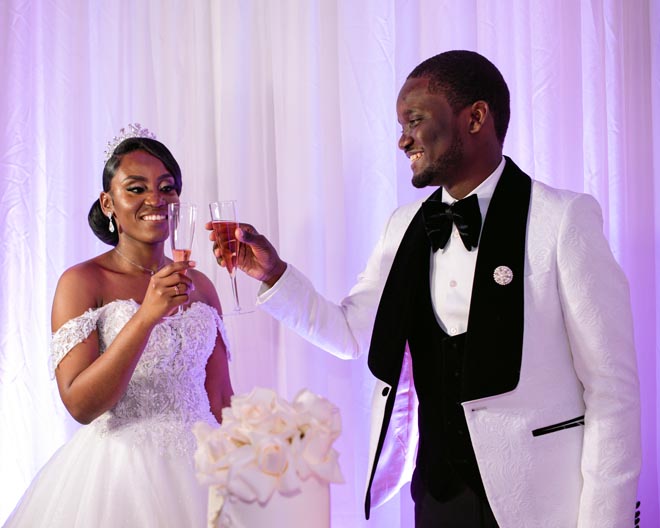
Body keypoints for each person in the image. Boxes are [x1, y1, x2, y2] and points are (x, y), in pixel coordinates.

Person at [207, 51, 641, 527]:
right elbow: (352, 333)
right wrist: (273, 274)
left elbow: (611, 390)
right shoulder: (403, 226)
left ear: (475, 117)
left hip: (538, 502)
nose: (402, 138)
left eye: (414, 119)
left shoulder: (563, 220)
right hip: (436, 497)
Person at [4, 125, 233, 527]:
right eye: (136, 189)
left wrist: (258, 458)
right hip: (121, 478)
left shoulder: (203, 287)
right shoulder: (82, 282)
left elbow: (220, 397)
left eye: (167, 188)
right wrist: (147, 315)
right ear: (108, 203)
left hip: (205, 472)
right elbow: (81, 405)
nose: (155, 200)